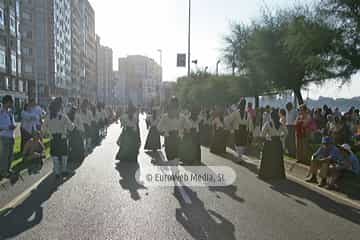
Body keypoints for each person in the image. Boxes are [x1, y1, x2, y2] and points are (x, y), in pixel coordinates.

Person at [42, 97, 74, 179]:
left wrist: (48, 134)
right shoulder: (63, 116)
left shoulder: (48, 117)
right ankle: (64, 170)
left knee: (55, 155)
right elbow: (71, 127)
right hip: (62, 138)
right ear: (60, 106)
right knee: (64, 154)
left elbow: (44, 129)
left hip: (53, 138)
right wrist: (73, 125)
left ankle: (56, 172)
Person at [258, 110, 288, 180]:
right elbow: (286, 132)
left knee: (268, 159)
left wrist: (265, 138)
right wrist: (281, 137)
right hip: (278, 143)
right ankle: (278, 175)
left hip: (270, 143)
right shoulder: (281, 124)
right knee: (277, 159)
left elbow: (262, 134)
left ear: (271, 117)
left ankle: (268, 174)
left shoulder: (268, 123)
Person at [157, 97, 182, 162]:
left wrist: (163, 133)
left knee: (172, 158)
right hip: (172, 138)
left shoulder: (180, 116)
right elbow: (159, 127)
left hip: (174, 138)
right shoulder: (166, 116)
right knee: (173, 158)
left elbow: (159, 127)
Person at [231, 99, 254, 163]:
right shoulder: (247, 113)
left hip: (238, 130)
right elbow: (250, 123)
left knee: (238, 144)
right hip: (244, 130)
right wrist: (250, 131)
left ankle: (239, 157)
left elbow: (230, 119)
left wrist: (230, 126)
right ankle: (239, 156)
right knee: (241, 144)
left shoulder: (236, 112)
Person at [0, 95, 16, 179]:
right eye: (11, 102)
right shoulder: (1, 112)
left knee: (10, 154)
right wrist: (8, 127)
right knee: (4, 155)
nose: (12, 104)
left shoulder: (10, 112)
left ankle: (8, 169)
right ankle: (3, 171)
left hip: (11, 135)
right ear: (7, 102)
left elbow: (13, 122)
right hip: (4, 136)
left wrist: (14, 125)